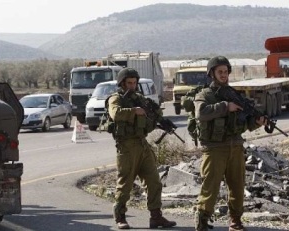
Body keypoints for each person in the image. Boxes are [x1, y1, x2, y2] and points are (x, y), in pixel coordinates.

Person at [193, 56, 267, 231]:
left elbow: (244, 124)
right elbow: (201, 113)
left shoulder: (235, 94)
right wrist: (225, 106)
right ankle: (202, 220)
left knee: (237, 186)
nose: (224, 75)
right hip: (215, 149)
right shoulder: (205, 95)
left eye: (226, 71)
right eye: (220, 72)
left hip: (235, 146)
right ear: (212, 74)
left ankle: (235, 220)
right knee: (210, 187)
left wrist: (258, 122)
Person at [107, 67, 177, 229]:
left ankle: (156, 217)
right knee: (125, 184)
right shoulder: (115, 99)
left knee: (154, 182)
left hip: (142, 143)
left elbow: (153, 114)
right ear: (122, 84)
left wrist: (162, 122)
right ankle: (120, 217)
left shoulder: (140, 99)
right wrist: (134, 111)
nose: (132, 86)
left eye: (134, 83)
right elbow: (115, 114)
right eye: (129, 83)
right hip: (127, 146)